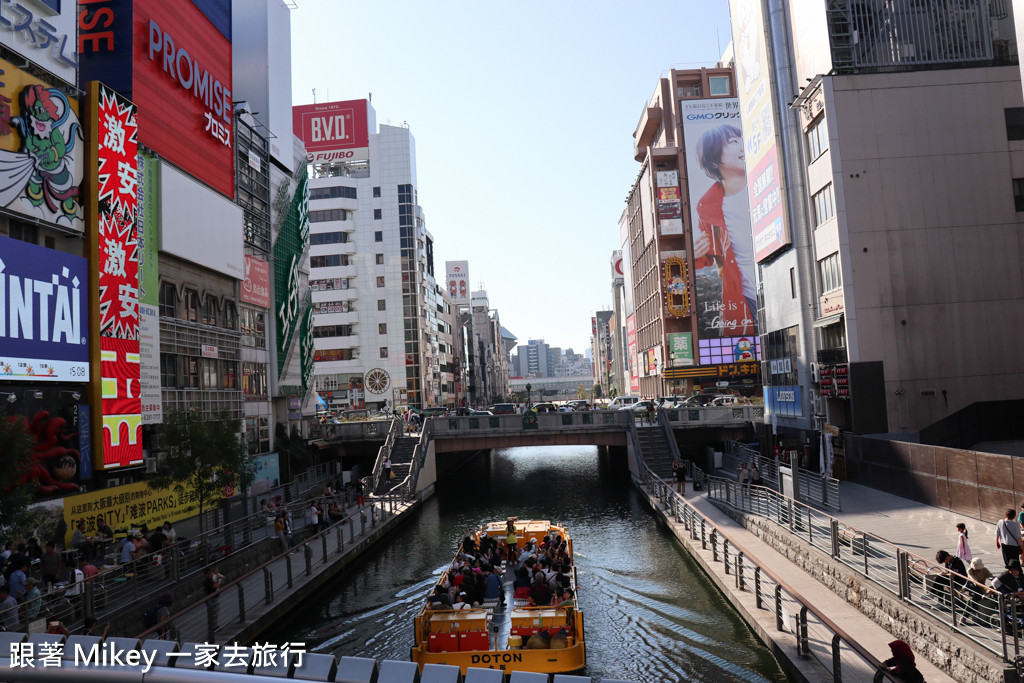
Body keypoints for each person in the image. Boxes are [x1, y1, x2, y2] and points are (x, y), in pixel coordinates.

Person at [693, 123, 756, 336]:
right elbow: (712, 260)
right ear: (714, 159)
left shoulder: (767, 181)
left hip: (783, 288)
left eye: (741, 138)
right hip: (746, 300)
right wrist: (696, 257)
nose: (742, 145)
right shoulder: (708, 207)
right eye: (733, 142)